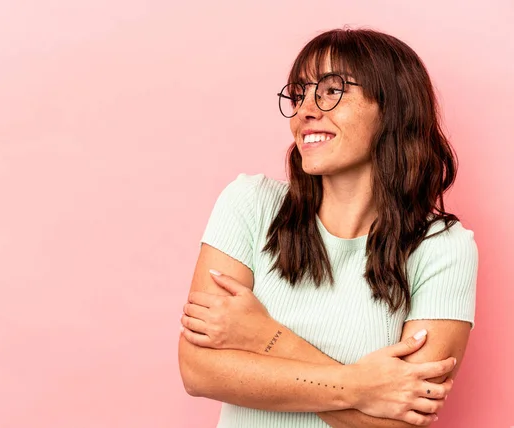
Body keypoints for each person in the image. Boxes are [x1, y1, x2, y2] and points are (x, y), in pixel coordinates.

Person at [178, 28, 478, 428]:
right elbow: (198, 370)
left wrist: (264, 337)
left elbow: (403, 421)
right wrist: (360, 387)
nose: (304, 110)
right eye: (299, 93)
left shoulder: (442, 248)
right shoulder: (249, 204)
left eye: (332, 91)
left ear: (392, 108)